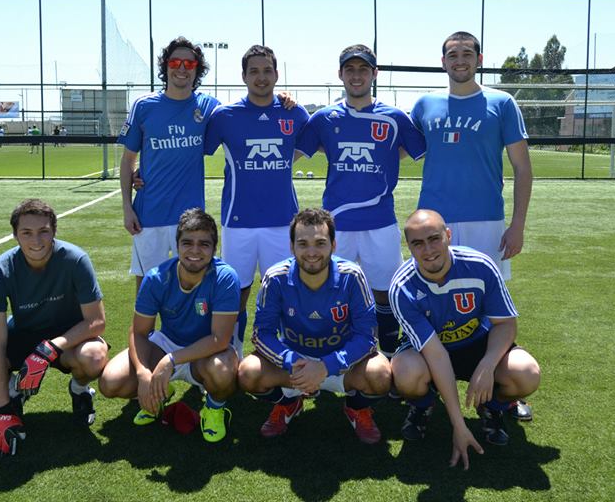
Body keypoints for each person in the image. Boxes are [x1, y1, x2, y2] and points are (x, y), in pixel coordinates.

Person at [410, 31, 534, 420]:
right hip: (433, 224)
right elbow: (393, 146)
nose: (459, 59)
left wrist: (517, 225)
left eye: (467, 53)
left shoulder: (502, 103)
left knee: (491, 305)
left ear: (479, 59)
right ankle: (427, 384)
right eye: (452, 54)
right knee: (430, 298)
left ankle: (500, 388)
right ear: (442, 62)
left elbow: (522, 167)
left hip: (486, 221)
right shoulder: (424, 105)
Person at [0, 199, 109, 457]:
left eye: (43, 231)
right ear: (15, 235)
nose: (36, 241)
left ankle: (79, 390)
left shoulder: (75, 259)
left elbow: (96, 321)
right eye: (27, 233)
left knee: (94, 357)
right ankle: (13, 391)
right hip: (22, 335)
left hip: (66, 339)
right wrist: (1, 408)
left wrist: (50, 348)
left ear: (54, 231)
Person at [296, 44, 425, 356]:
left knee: (386, 292)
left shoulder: (395, 118)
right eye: (350, 69)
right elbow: (293, 152)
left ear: (374, 74)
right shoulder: (323, 118)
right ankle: (330, 355)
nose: (357, 75)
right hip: (335, 224)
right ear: (340, 74)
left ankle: (390, 355)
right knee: (329, 290)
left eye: (363, 69)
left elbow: (421, 152)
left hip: (380, 221)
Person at [389, 210, 540, 466]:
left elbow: (505, 324)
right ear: (409, 247)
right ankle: (423, 405)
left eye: (434, 238)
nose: (428, 250)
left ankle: (491, 407)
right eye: (418, 243)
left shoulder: (480, 266)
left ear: (448, 235)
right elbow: (437, 355)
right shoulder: (402, 287)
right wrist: (458, 426)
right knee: (405, 373)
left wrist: (488, 364)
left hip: (477, 344)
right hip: (430, 354)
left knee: (526, 373)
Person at [238, 208, 390, 444]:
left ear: (333, 245)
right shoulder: (276, 277)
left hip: (342, 363)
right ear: (292, 247)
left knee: (381, 375)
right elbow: (262, 334)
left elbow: (367, 337)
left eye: (320, 243)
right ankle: (289, 403)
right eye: (303, 244)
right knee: (248, 373)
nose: (311, 252)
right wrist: (292, 361)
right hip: (295, 366)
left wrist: (326, 366)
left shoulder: (352, 275)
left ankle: (356, 408)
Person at [99, 208, 240, 443]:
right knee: (111, 382)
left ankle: (214, 408)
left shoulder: (225, 277)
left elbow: (219, 339)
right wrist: (144, 373)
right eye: (187, 243)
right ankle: (160, 393)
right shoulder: (156, 278)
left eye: (204, 244)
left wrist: (170, 361)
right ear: (177, 245)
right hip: (167, 343)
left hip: (207, 351)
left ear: (214, 249)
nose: (195, 251)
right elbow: (139, 332)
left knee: (222, 371)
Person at [203, 44, 310, 347]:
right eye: (254, 71)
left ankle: (285, 355)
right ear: (244, 76)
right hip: (239, 221)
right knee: (236, 291)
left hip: (283, 221)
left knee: (284, 291)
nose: (261, 77)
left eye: (267, 71)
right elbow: (196, 151)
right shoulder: (225, 115)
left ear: (276, 75)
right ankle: (231, 353)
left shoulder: (295, 113)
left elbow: (306, 147)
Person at [117, 37, 220, 294]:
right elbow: (128, 160)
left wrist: (283, 99)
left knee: (194, 284)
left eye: (189, 63)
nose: (182, 68)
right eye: (175, 62)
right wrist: (127, 208)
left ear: (197, 69)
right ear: (166, 66)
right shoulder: (144, 106)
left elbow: (243, 113)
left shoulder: (208, 106)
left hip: (191, 218)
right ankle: (144, 324)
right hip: (149, 214)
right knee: (147, 287)